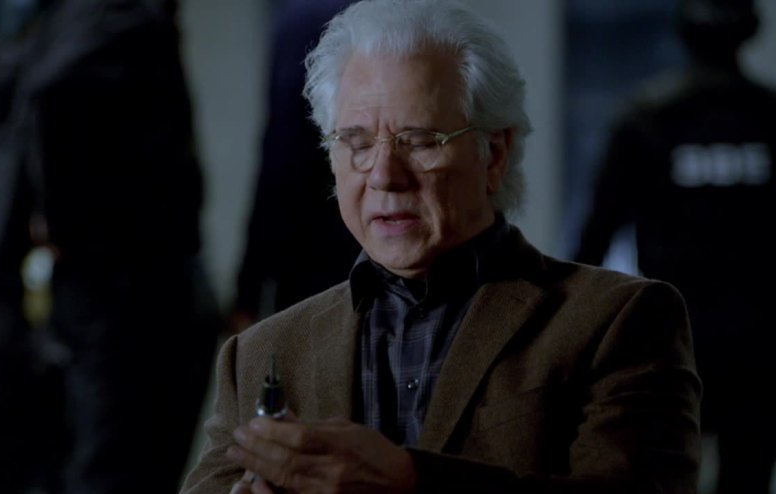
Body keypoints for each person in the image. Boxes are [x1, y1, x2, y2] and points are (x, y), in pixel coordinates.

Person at [181, 1, 702, 493]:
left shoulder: (616, 322)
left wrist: (412, 483)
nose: (384, 176)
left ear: (494, 154)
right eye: (357, 144)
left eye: (420, 140)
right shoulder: (260, 354)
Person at [0, 0, 222, 492]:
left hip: (118, 282)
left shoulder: (84, 17)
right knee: (117, 457)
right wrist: (57, 218)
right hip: (123, 284)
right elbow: (47, 89)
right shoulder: (114, 17)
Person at [573, 1, 776, 492]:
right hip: (760, 342)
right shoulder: (769, 118)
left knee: (665, 474)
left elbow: (596, 235)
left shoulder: (648, 118)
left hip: (675, 336)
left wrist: (573, 330)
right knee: (746, 475)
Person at [230, 0, 360, 332]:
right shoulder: (400, 14)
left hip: (317, 261)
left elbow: (281, 161)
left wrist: (248, 290)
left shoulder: (302, 21)